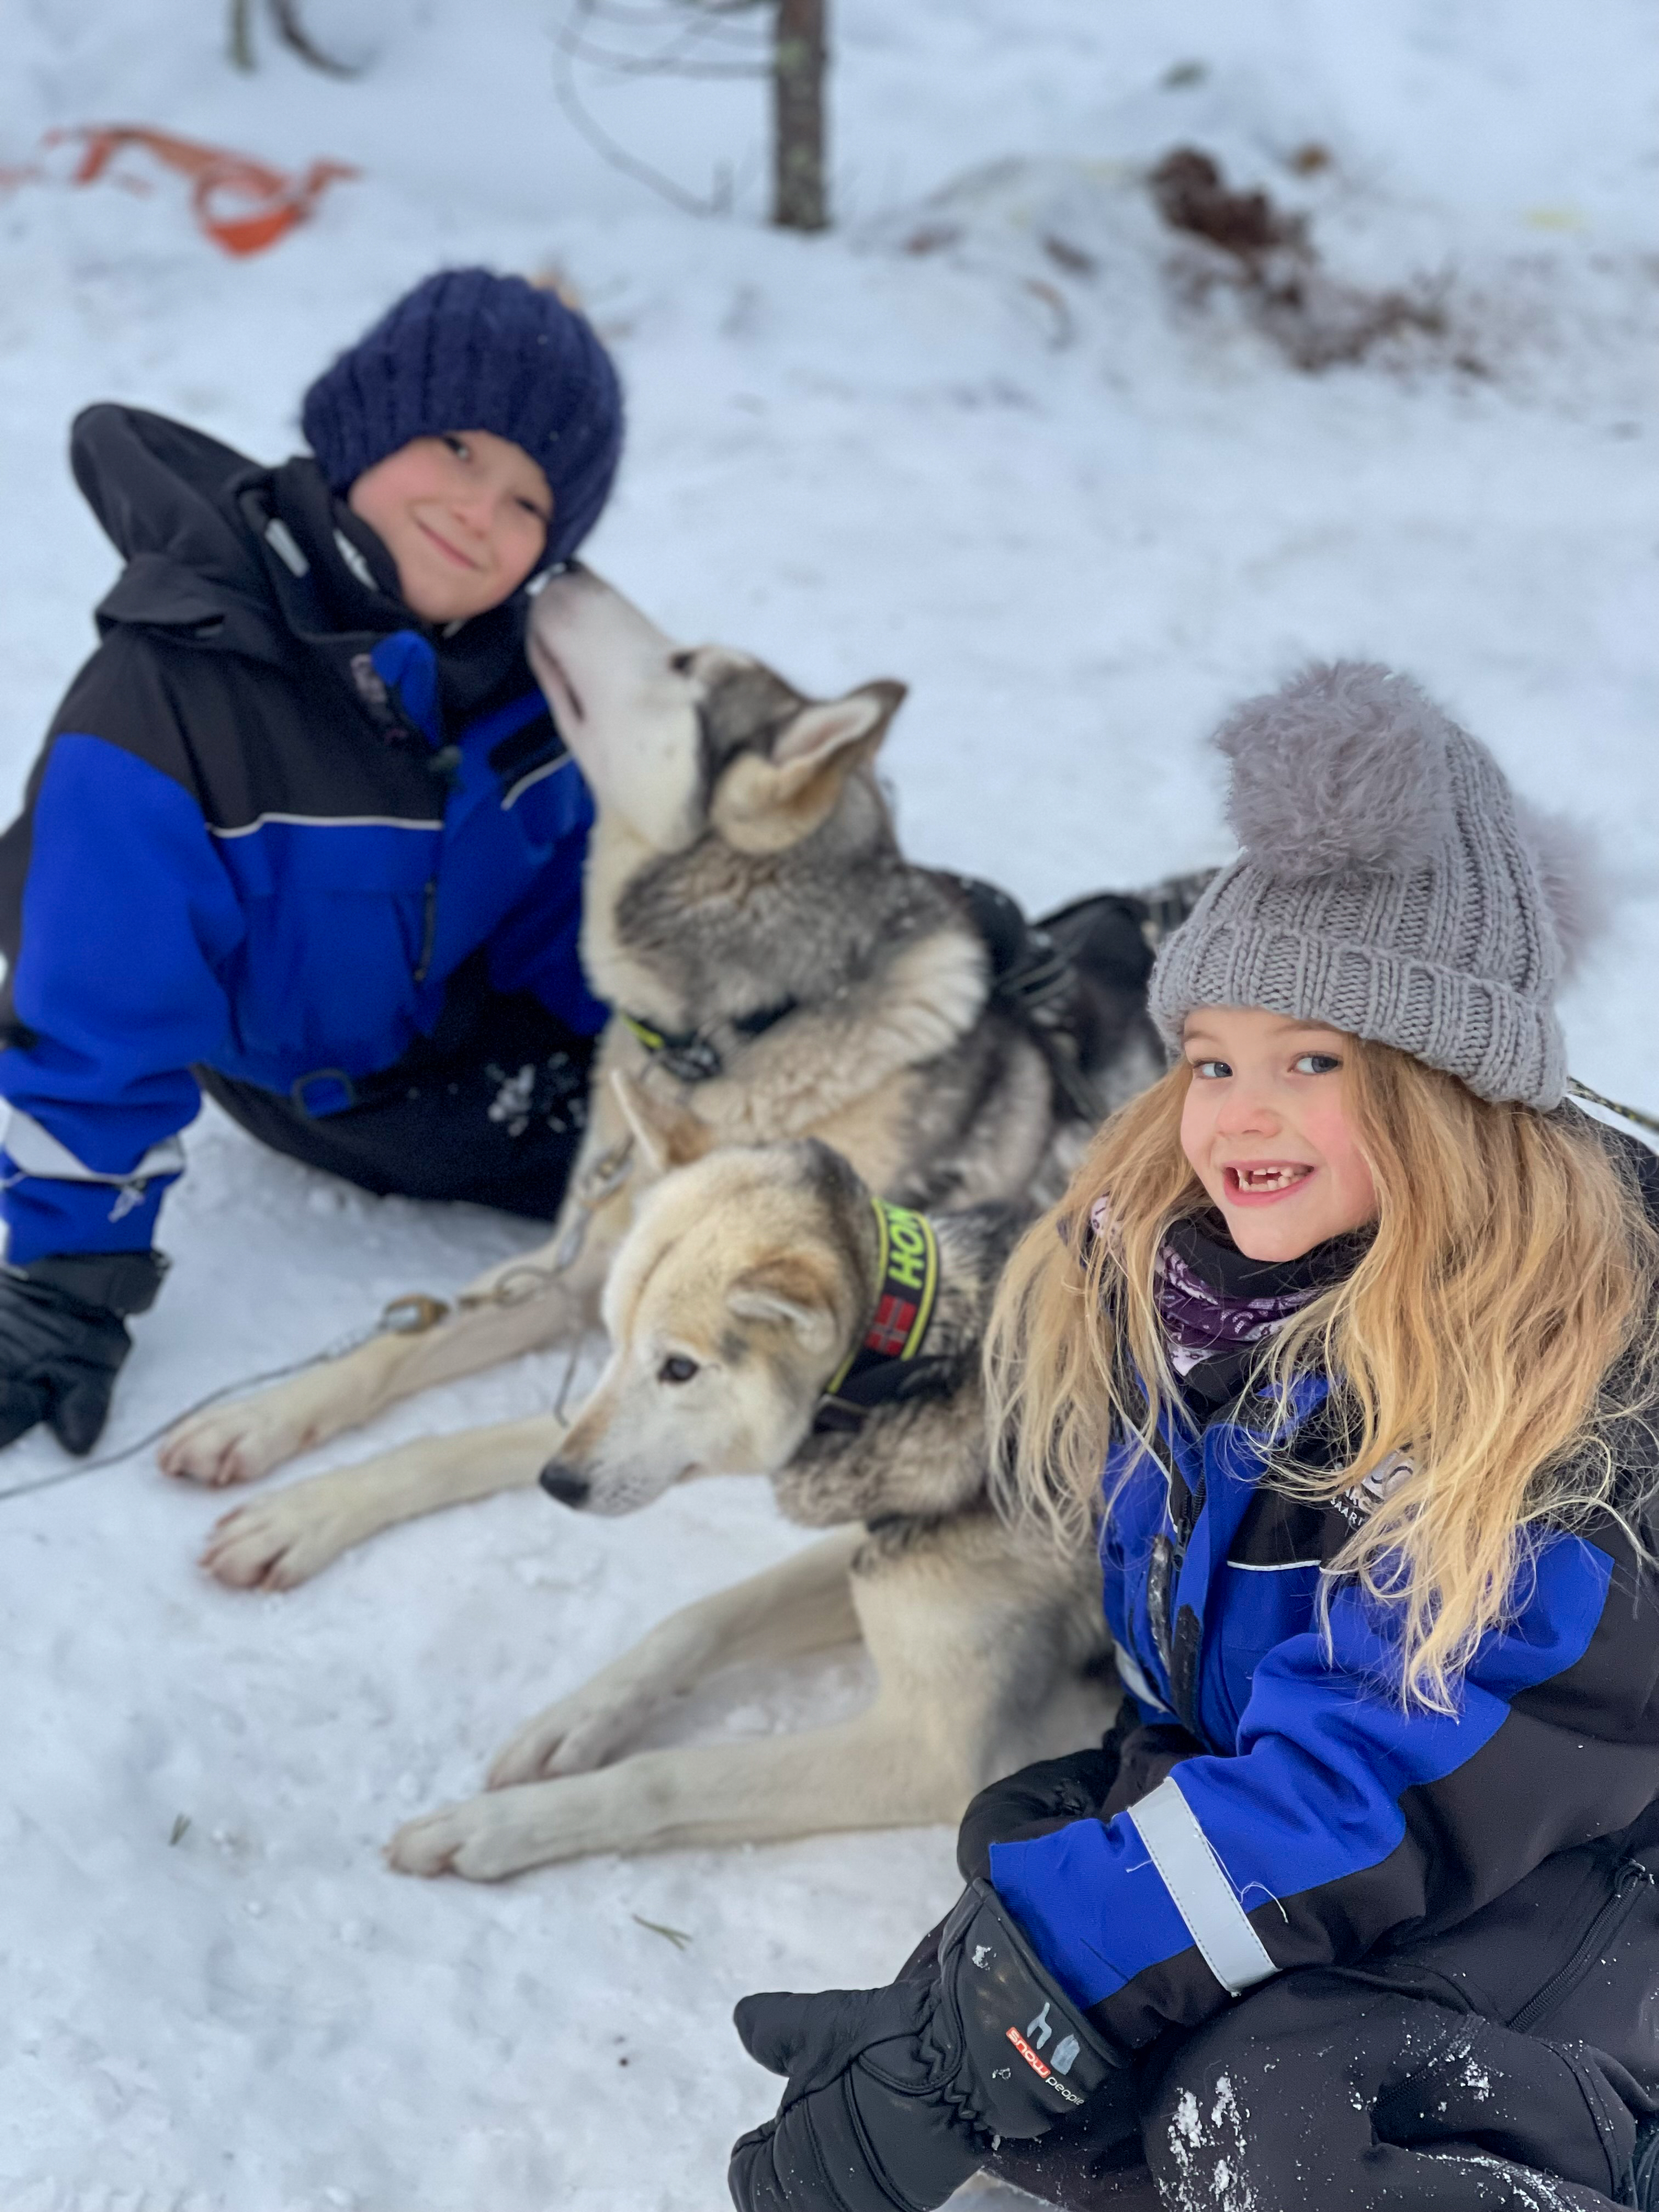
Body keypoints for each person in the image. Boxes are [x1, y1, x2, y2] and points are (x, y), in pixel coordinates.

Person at [726, 662, 1659, 2212]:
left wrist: (1007, 2009)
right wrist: (999, 1981)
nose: (1238, 1115)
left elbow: (1382, 1777)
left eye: (1316, 1062)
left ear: (1455, 1088)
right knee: (1053, 1919)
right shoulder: (1208, 1309)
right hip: (1421, 1858)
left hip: (1597, 1887)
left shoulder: (1578, 1398)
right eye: (1213, 1058)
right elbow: (1234, 1709)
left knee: (1262, 2108)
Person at [0, 267, 624, 1454]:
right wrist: (67, 1282)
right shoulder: (174, 695)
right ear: (364, 426)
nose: (477, 509)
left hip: (472, 1014)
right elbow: (93, 1003)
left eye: (529, 501)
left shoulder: (510, 683)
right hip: (349, 1092)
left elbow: (573, 907)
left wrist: (670, 1028)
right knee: (723, 1183)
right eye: (452, 445)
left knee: (785, 1067)